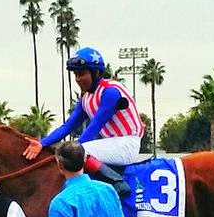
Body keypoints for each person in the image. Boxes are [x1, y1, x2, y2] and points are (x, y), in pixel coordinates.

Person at [22, 47, 143, 197]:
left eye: (82, 74)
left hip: (127, 144)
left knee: (80, 151)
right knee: (77, 149)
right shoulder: (86, 98)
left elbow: (94, 128)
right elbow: (68, 126)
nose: (78, 79)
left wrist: (73, 149)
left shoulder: (111, 91)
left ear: (96, 72)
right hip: (111, 144)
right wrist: (42, 143)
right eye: (76, 75)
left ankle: (117, 183)